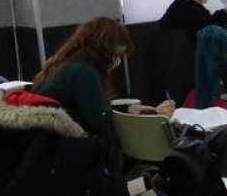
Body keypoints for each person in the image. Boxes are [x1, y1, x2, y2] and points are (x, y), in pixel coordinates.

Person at [32, 17, 173, 136]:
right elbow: (103, 124)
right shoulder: (83, 72)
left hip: (52, 141)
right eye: (115, 56)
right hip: (72, 147)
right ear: (104, 49)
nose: (115, 62)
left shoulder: (63, 64)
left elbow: (94, 108)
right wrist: (153, 116)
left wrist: (126, 109)